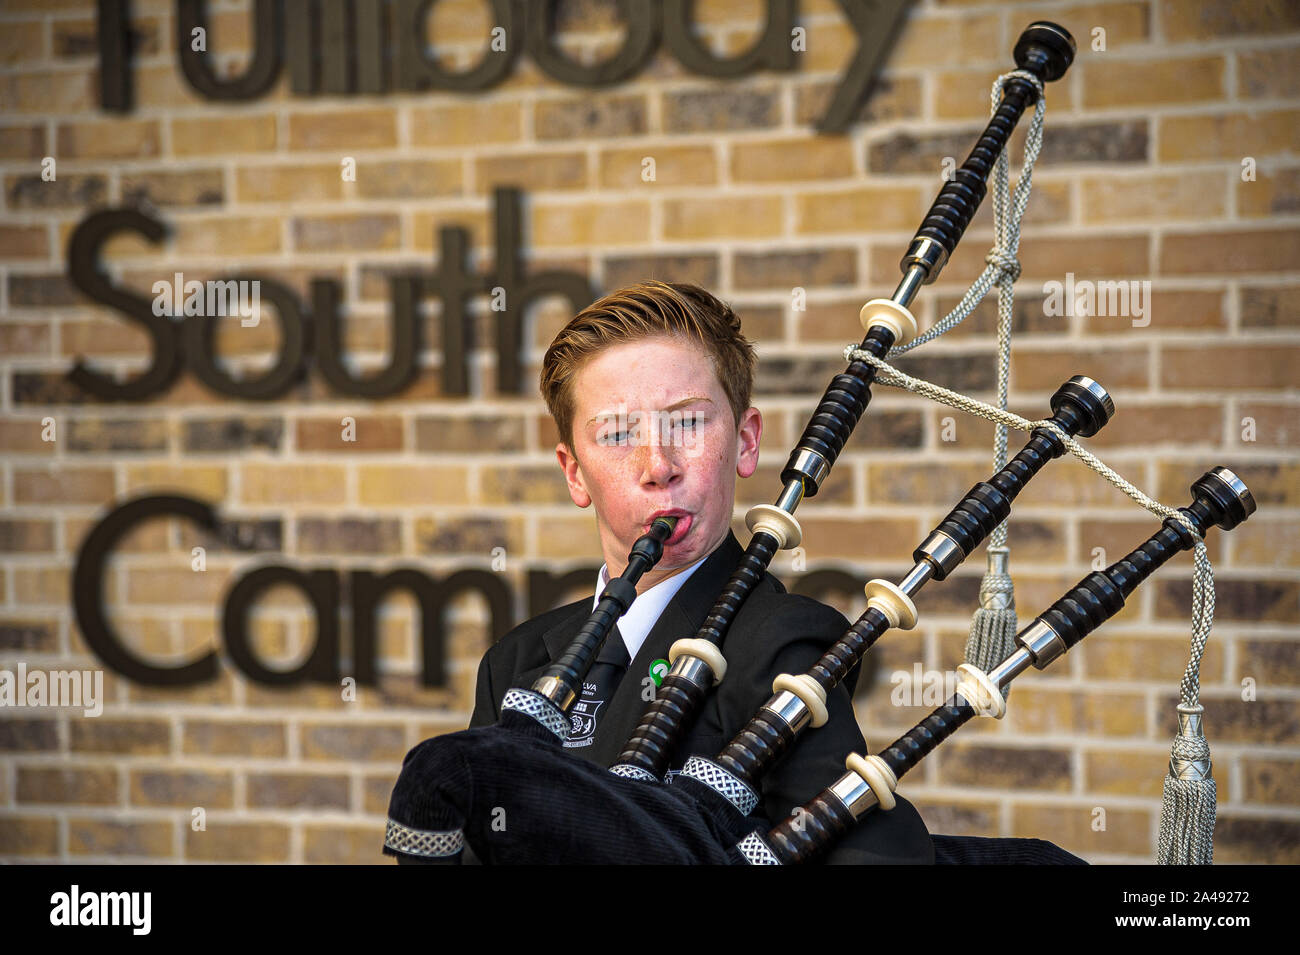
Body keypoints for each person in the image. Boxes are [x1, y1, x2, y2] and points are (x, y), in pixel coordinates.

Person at [467, 280, 933, 864]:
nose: (658, 466)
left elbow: (875, 857)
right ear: (574, 473)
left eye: (688, 423)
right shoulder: (512, 665)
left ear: (744, 440)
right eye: (616, 433)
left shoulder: (784, 644)